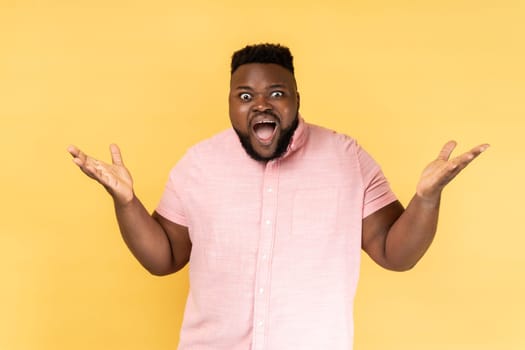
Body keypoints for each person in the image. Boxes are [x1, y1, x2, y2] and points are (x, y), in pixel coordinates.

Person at [68, 43, 488, 350]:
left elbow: (395, 253)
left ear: (297, 100)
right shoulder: (198, 163)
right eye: (245, 96)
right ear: (231, 104)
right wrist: (126, 203)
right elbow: (165, 258)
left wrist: (428, 198)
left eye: (276, 93)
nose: (260, 105)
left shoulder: (347, 158)